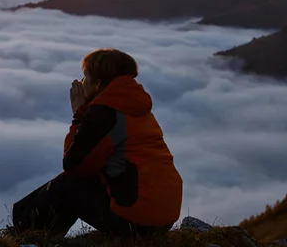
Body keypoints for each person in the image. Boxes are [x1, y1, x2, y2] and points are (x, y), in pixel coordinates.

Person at [11, 48, 183, 238]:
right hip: (162, 218)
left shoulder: (104, 113)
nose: (82, 82)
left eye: (85, 76)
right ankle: (31, 229)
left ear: (98, 83)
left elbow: (73, 165)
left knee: (68, 184)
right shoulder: (134, 106)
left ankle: (27, 234)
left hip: (136, 221)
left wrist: (78, 116)